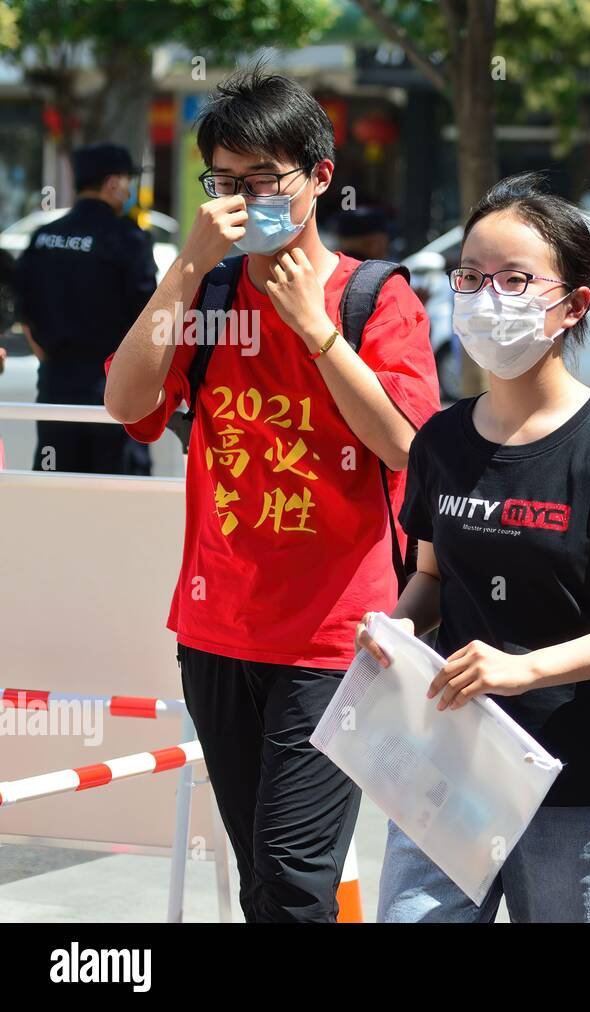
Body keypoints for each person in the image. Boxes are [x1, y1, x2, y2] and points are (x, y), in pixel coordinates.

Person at [103, 66, 440, 922]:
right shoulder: (210, 293)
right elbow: (127, 404)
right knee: (260, 870)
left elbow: (408, 446)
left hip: (337, 641)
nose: (243, 200)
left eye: (263, 181)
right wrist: (186, 266)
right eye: (224, 181)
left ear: (320, 177)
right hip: (217, 631)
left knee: (295, 879)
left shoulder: (376, 298)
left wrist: (319, 334)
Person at [357, 172, 590, 923]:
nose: (488, 299)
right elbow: (430, 577)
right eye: (472, 277)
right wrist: (392, 633)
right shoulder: (441, 441)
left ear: (573, 304)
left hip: (575, 790)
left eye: (515, 280)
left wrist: (524, 670)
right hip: (445, 773)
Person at [15, 142, 156, 474]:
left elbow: (23, 309)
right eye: (127, 180)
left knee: (58, 491)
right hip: (113, 390)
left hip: (55, 386)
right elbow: (150, 317)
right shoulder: (128, 239)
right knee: (116, 497)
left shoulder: (43, 237)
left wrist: (53, 360)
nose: (129, 188)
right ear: (112, 184)